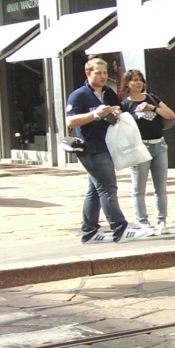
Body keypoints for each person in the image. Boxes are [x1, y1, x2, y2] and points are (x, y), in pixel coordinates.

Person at [64, 57, 150, 243]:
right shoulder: (78, 95)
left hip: (108, 144)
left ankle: (90, 232)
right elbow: (70, 121)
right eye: (98, 73)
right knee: (107, 188)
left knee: (95, 189)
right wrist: (95, 114)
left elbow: (117, 107)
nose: (103, 77)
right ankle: (120, 229)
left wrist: (116, 112)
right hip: (91, 147)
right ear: (88, 73)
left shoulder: (108, 92)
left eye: (105, 73)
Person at [120, 69, 175, 235]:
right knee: (139, 187)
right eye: (134, 80)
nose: (138, 83)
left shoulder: (152, 98)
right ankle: (143, 222)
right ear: (127, 84)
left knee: (161, 187)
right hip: (140, 147)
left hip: (159, 145)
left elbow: (171, 114)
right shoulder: (125, 105)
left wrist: (153, 107)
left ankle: (161, 221)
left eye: (140, 80)